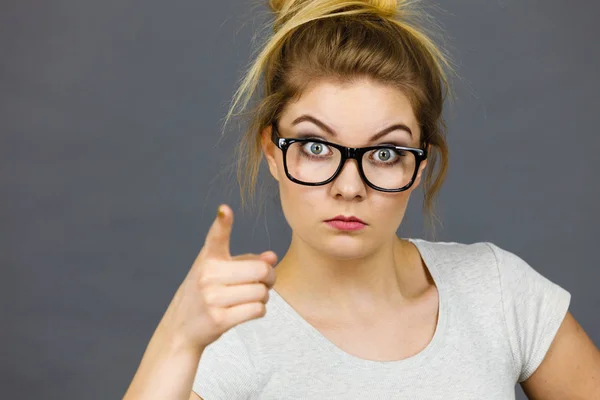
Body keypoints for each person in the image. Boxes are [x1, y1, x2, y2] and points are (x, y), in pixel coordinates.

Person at [123, 1, 600, 399]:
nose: (349, 187)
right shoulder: (229, 341)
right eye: (315, 147)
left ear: (419, 167)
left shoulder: (497, 292)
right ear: (271, 152)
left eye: (385, 152)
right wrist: (177, 339)